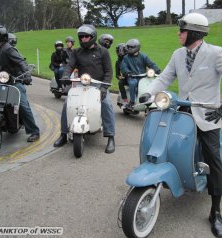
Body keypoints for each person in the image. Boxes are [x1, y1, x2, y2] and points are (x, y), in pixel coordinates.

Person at [139, 13, 222, 238]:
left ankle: (215, 211)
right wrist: (148, 93)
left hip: (208, 116)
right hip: (183, 111)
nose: (178, 33)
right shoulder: (178, 54)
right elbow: (165, 77)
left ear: (195, 32)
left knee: (213, 159)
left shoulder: (215, 53)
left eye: (182, 30)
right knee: (164, 140)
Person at [53, 24, 115, 154]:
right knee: (67, 104)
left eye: (86, 36)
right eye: (81, 37)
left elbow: (109, 71)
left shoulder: (103, 51)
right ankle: (64, 134)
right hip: (82, 84)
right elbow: (70, 65)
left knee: (106, 104)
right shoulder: (76, 52)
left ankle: (110, 136)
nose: (84, 39)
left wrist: (104, 87)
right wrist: (65, 75)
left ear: (92, 37)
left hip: (98, 84)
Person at [0, 25, 40, 142]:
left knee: (22, 105)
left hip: (14, 82)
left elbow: (22, 62)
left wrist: (27, 75)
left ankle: (34, 131)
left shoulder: (8, 49)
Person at [120, 38, 160, 107]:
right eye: (128, 47)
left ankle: (151, 100)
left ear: (136, 47)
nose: (129, 48)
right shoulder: (126, 58)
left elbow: (151, 64)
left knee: (151, 83)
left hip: (143, 77)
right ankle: (132, 102)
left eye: (131, 47)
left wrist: (158, 71)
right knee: (132, 83)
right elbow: (123, 67)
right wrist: (128, 72)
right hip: (132, 77)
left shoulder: (143, 56)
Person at [115, 43, 128, 108]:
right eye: (119, 51)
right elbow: (117, 74)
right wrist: (120, 77)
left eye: (122, 51)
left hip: (134, 76)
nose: (121, 53)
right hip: (125, 78)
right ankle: (125, 100)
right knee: (120, 83)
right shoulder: (118, 62)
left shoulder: (130, 59)